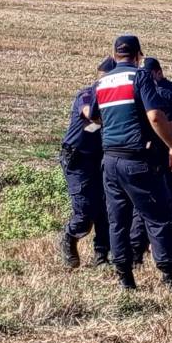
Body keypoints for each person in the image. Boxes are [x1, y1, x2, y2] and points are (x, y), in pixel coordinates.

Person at [91, 35, 172, 291]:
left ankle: (125, 278)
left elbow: (93, 116)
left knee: (118, 220)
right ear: (139, 54)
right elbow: (155, 116)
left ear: (113, 55)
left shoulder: (102, 82)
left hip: (110, 159)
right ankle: (169, 277)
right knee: (159, 215)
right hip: (138, 159)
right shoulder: (140, 77)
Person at [129, 57, 172, 260]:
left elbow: (160, 120)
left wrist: (168, 143)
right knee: (171, 201)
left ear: (158, 72)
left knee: (145, 202)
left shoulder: (152, 91)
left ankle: (137, 251)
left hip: (160, 153)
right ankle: (170, 249)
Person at [58, 56, 117, 268]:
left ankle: (101, 257)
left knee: (105, 209)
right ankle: (68, 237)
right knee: (84, 211)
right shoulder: (87, 94)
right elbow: (90, 114)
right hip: (78, 157)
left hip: (99, 157)